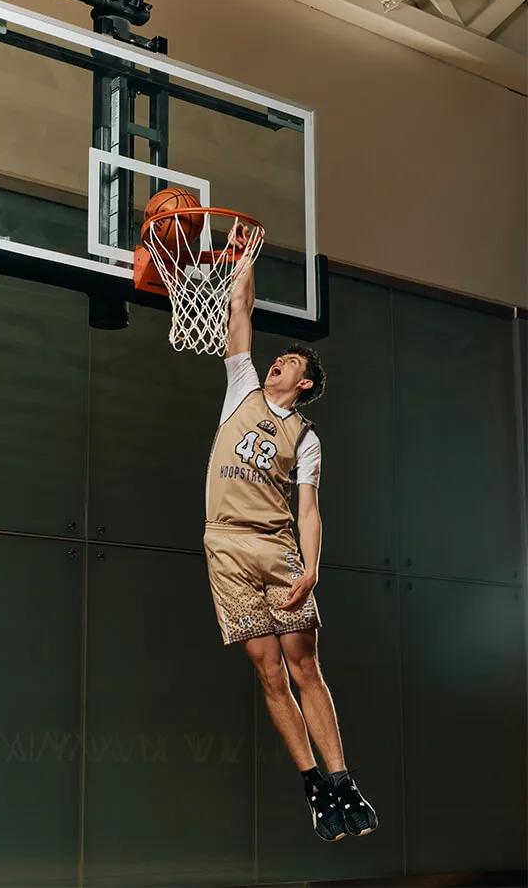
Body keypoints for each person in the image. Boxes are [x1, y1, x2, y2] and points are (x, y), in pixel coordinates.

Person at [204, 233, 378, 842]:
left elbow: (308, 510)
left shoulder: (306, 437)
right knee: (269, 673)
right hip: (226, 546)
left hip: (277, 547)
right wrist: (243, 266)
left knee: (304, 666)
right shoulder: (241, 388)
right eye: (279, 358)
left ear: (304, 382)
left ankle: (342, 779)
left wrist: (310, 567)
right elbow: (239, 314)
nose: (279, 361)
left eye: (292, 362)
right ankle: (314, 788)